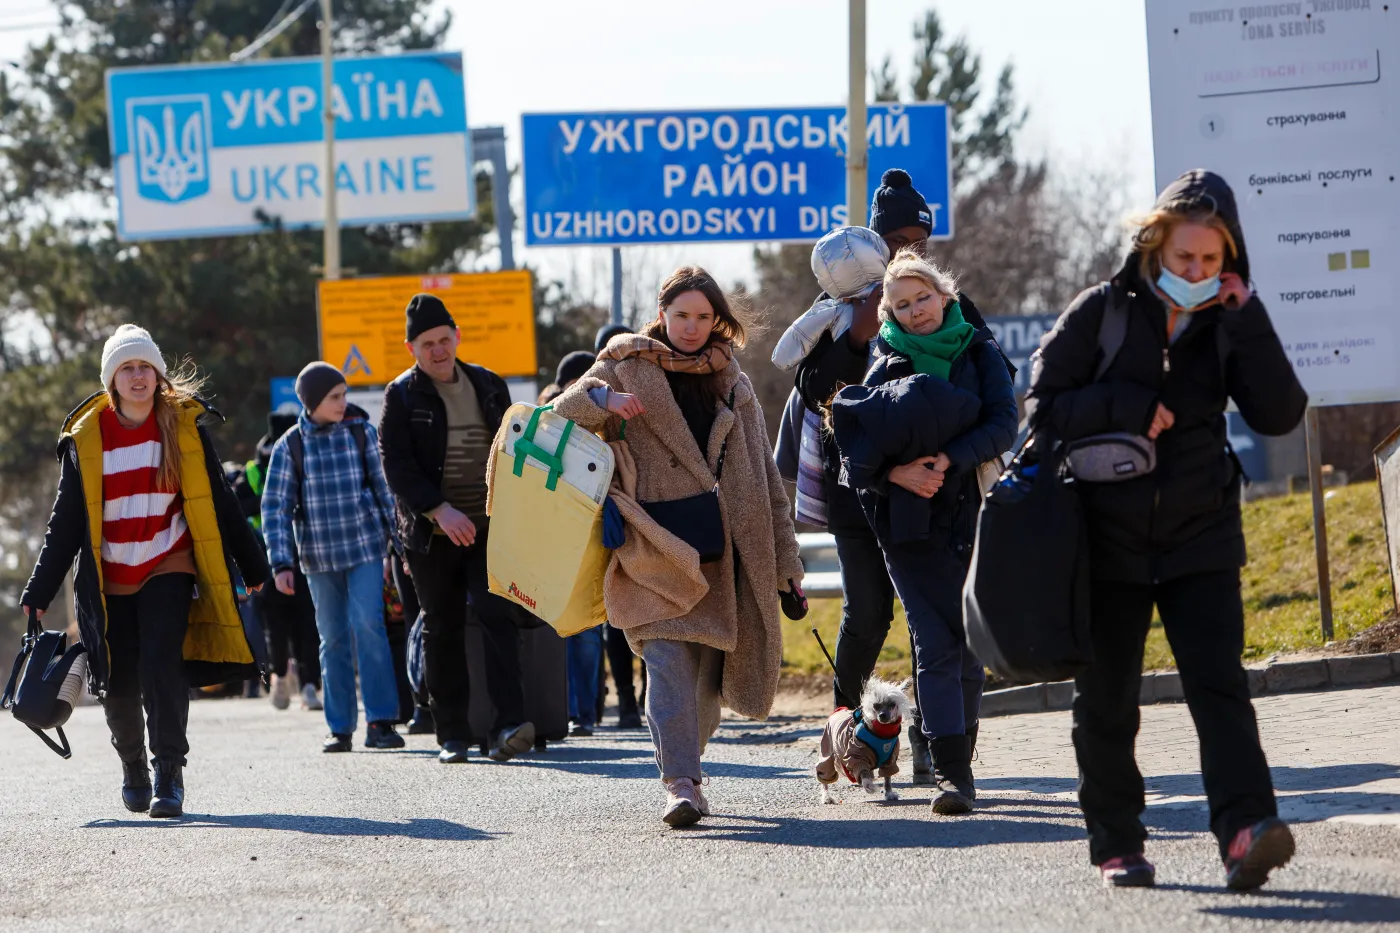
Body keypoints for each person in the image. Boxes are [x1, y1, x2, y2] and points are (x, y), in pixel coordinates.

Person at [1026, 170, 1307, 890]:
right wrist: (1123, 403)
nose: (1197, 272)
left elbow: (1279, 413)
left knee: (1220, 689)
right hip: (1107, 538)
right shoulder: (1103, 311)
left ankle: (1245, 830)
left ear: (1230, 259)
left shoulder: (1229, 319)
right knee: (1109, 699)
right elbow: (1042, 405)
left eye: (1211, 261)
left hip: (1201, 532)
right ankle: (1117, 840)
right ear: (1156, 246)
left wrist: (1248, 317)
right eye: (1185, 257)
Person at [554, 266, 805, 827]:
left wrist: (787, 564)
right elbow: (556, 419)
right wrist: (602, 401)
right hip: (651, 543)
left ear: (717, 320)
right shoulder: (622, 367)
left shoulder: (733, 381)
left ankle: (688, 759)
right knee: (666, 662)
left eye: (703, 316)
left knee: (704, 689)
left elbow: (764, 476)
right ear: (662, 313)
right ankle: (681, 785)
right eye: (681, 315)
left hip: (724, 550)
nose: (692, 327)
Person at [21, 324, 270, 818]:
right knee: (119, 680)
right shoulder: (87, 438)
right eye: (126, 369)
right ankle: (133, 765)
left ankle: (169, 773)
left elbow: (218, 500)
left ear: (158, 375)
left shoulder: (183, 427)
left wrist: (253, 562)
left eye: (145, 368)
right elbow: (66, 523)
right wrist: (40, 588)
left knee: (163, 665)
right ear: (111, 381)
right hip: (109, 572)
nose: (138, 377)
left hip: (166, 561)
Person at [830, 250, 1017, 816]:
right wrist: (897, 472)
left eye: (923, 298)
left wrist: (946, 460)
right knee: (936, 642)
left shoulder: (978, 349)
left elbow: (1003, 424)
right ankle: (951, 777)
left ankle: (961, 762)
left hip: (973, 515)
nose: (916, 313)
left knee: (967, 647)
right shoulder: (883, 359)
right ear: (890, 313)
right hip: (907, 526)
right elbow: (855, 447)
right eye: (903, 305)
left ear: (945, 296)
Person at [794, 168, 946, 782]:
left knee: (925, 613)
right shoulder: (836, 311)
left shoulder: (936, 298)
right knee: (867, 613)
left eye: (920, 241)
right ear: (877, 248)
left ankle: (933, 738)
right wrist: (855, 337)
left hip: (927, 489)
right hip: (856, 489)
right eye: (898, 242)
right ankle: (841, 731)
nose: (911, 253)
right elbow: (811, 391)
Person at [379, 294, 534, 765]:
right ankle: (453, 735)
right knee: (441, 626)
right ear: (412, 349)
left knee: (497, 614)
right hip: (431, 535)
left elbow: (512, 451)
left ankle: (509, 724)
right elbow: (396, 466)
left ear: (457, 337)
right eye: (428, 344)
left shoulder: (489, 384)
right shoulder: (401, 395)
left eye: (445, 339)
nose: (438, 350)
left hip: (487, 527)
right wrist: (439, 510)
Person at [261, 362, 404, 754]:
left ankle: (380, 721)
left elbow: (385, 493)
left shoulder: (361, 433)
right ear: (311, 402)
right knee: (333, 639)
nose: (344, 403)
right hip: (318, 559)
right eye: (334, 397)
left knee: (368, 625)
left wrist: (400, 546)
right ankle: (339, 727)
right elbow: (275, 508)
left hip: (365, 550)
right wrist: (280, 563)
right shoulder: (290, 446)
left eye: (344, 394)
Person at [541, 351, 608, 738]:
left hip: (592, 539)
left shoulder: (604, 421)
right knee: (564, 632)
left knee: (588, 634)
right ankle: (567, 711)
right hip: (556, 541)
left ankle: (586, 711)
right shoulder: (548, 424)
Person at [239, 412, 323, 712]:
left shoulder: (307, 460)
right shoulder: (253, 472)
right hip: (267, 561)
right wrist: (270, 499)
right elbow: (237, 507)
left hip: (307, 558)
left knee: (308, 627)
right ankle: (279, 677)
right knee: (274, 629)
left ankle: (310, 685)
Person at [593, 325, 646, 730]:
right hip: (607, 520)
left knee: (646, 613)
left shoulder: (650, 391)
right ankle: (627, 700)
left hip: (647, 518)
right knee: (616, 616)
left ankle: (645, 696)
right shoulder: (593, 395)